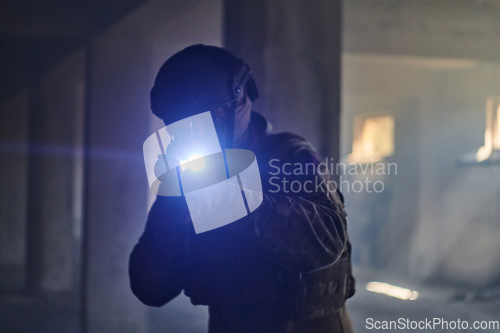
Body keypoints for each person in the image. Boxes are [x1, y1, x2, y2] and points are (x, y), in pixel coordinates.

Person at [129, 44, 355, 333]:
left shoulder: (290, 156)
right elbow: (150, 288)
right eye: (184, 124)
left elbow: (328, 243)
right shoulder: (186, 174)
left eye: (211, 117)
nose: (197, 132)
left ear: (243, 100)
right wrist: (172, 217)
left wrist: (232, 201)